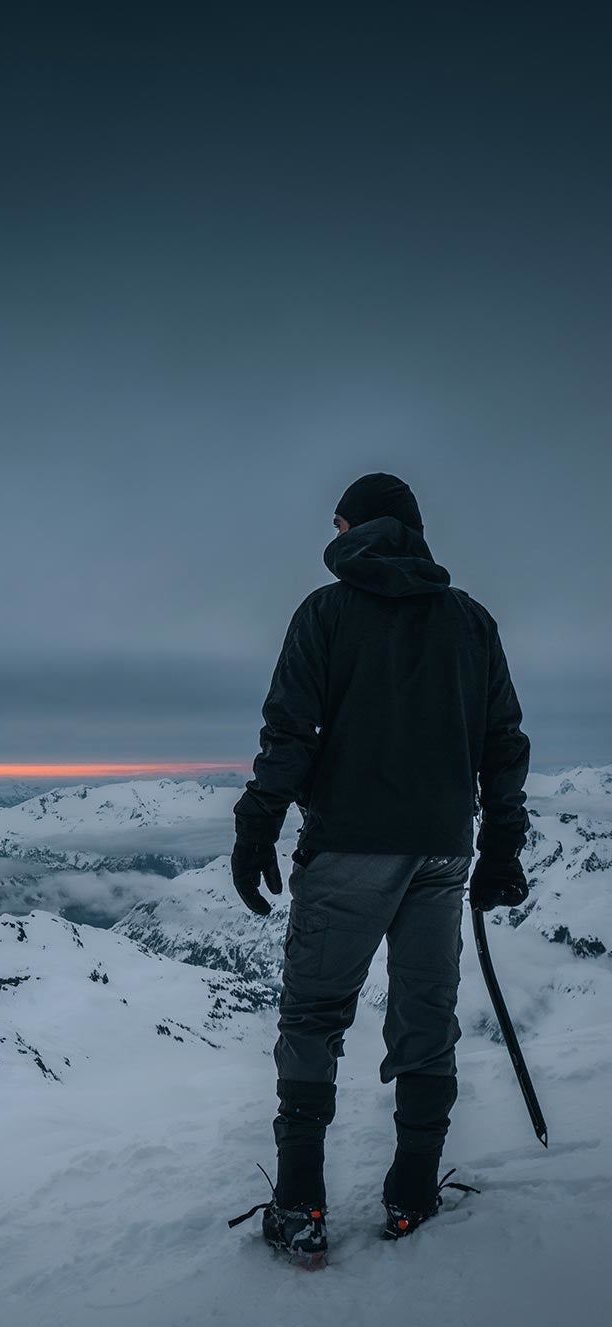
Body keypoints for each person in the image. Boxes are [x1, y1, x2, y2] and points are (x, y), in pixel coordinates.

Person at [229, 472, 530, 1263]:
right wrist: (500, 845)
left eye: (335, 521)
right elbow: (502, 743)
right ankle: (412, 1194)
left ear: (356, 526)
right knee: (426, 1017)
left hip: (349, 847)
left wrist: (258, 821)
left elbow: (290, 728)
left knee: (313, 1017)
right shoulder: (471, 622)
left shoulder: (325, 613)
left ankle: (299, 1207)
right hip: (441, 848)